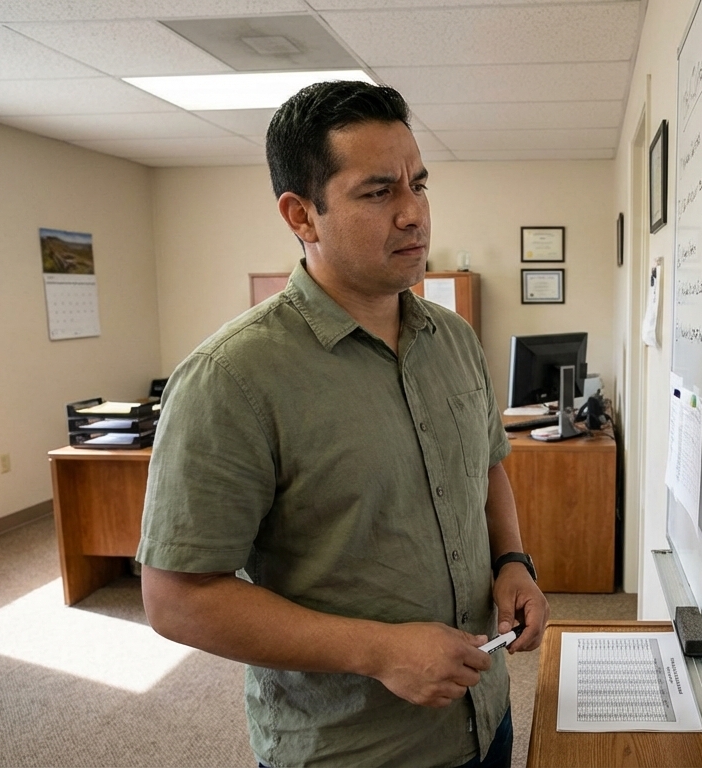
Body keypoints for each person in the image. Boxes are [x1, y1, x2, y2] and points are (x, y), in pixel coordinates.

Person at [136, 80, 548, 767]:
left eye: (419, 183)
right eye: (378, 192)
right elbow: (176, 599)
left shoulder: (452, 339)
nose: (414, 214)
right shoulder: (232, 378)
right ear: (302, 215)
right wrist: (380, 649)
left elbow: (485, 465)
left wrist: (513, 563)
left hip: (484, 717)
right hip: (352, 749)